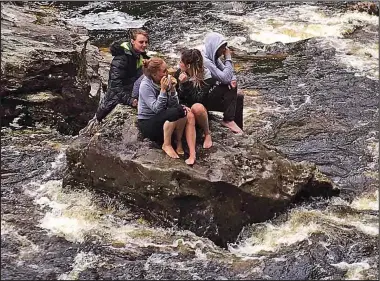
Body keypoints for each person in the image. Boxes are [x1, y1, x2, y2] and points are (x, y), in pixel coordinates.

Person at [138, 57, 188, 160]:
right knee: (174, 113)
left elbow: (174, 105)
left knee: (181, 110)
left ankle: (178, 142)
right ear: (154, 74)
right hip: (148, 122)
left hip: (162, 117)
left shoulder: (165, 79)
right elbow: (157, 109)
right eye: (164, 71)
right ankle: (166, 144)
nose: (167, 73)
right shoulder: (145, 85)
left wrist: (173, 90)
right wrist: (163, 90)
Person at [174, 48, 214, 165]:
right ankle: (191, 154)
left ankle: (207, 133)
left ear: (189, 65)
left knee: (196, 107)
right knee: (185, 112)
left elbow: (198, 99)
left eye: (181, 62)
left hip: (200, 110)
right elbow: (177, 96)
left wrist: (186, 84)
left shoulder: (206, 76)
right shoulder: (179, 73)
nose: (179, 64)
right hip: (186, 109)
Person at [201, 31, 244, 134]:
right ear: (214, 47)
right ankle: (228, 120)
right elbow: (224, 78)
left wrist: (232, 79)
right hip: (201, 99)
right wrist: (228, 58)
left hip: (208, 93)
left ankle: (237, 127)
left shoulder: (212, 56)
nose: (223, 52)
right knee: (228, 87)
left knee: (238, 97)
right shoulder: (205, 61)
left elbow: (227, 73)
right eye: (221, 49)